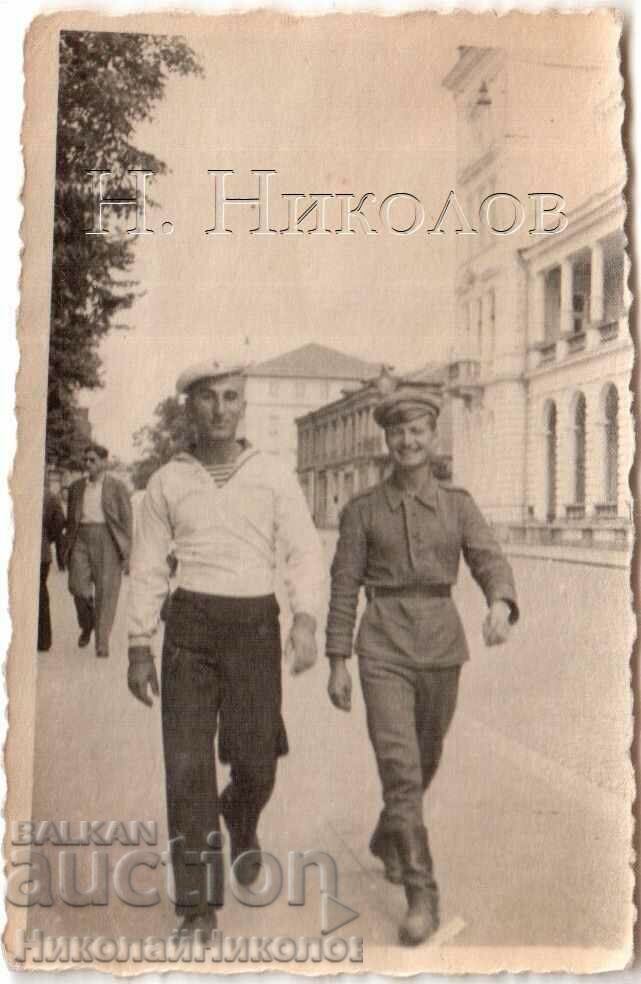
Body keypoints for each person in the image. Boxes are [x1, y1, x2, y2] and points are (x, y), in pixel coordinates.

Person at [127, 360, 325, 937]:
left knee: (257, 761)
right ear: (190, 408)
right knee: (187, 765)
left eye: (230, 397)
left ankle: (241, 810)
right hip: (189, 626)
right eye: (208, 398)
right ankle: (196, 905)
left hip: (254, 625)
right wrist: (140, 642)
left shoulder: (272, 474)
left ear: (244, 406)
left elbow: (304, 551)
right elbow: (146, 567)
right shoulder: (168, 480)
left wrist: (306, 619)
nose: (220, 408)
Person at [325, 374, 518, 947]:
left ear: (433, 434)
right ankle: (421, 892)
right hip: (381, 643)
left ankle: (390, 835)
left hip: (440, 647)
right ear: (387, 441)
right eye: (398, 433)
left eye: (418, 430)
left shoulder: (458, 505)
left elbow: (488, 559)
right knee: (401, 769)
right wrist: (338, 657)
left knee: (425, 759)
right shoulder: (362, 510)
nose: (408, 441)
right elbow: (343, 586)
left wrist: (501, 603)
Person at [64, 443, 132, 659]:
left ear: (104, 462)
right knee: (77, 587)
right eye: (86, 460)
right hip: (81, 538)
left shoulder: (117, 487)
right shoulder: (76, 488)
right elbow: (70, 520)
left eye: (93, 460)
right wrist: (66, 547)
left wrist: (127, 553)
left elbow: (127, 520)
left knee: (106, 593)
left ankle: (102, 644)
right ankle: (87, 624)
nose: (88, 464)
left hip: (108, 540)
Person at [38, 483, 66, 652]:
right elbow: (59, 522)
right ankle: (43, 640)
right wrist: (48, 539)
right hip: (41, 551)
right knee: (40, 593)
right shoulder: (49, 496)